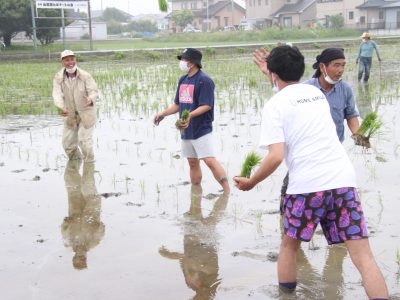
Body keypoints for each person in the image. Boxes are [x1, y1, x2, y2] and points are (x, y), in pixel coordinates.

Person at [234, 45, 388, 299]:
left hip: (307, 186)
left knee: (289, 246)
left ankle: (287, 295)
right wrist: (272, 74)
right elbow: (293, 94)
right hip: (343, 181)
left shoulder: (275, 105)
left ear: (273, 74)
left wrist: (251, 182)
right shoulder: (315, 95)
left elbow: (275, 156)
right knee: (363, 256)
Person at [254, 47, 360, 198]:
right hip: (319, 162)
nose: (341, 70)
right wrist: (277, 69)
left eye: (343, 65)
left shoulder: (345, 89)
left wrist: (358, 135)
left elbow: (351, 115)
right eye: (336, 65)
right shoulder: (311, 89)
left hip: (324, 158)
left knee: (299, 205)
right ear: (322, 66)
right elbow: (287, 96)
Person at [153, 48, 230, 194]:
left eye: (184, 59)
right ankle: (196, 193)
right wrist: (163, 114)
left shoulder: (204, 81)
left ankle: (227, 192)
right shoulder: (183, 80)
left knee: (209, 160)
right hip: (186, 128)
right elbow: (178, 104)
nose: (182, 62)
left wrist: (190, 115)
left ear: (192, 63)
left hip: (201, 128)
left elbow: (206, 105)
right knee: (192, 162)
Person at [159, 184, 228, 299]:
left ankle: (225, 194)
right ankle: (225, 194)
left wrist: (172, 256)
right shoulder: (210, 279)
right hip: (203, 244)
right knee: (210, 218)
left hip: (193, 243)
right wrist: (173, 256)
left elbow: (185, 260)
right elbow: (190, 261)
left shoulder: (192, 284)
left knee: (197, 213)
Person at [53, 50, 99, 162]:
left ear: (75, 60)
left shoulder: (85, 76)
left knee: (84, 141)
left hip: (86, 114)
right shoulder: (58, 78)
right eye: (67, 60)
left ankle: (89, 166)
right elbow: (57, 94)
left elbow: (94, 91)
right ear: (62, 62)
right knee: (68, 144)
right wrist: (61, 107)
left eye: (72, 59)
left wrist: (90, 98)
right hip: (70, 115)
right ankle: (75, 165)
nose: (70, 62)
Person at [61, 160, 105, 270]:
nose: (81, 256)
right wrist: (97, 225)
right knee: (88, 182)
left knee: (70, 178)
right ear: (86, 257)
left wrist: (66, 222)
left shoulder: (68, 242)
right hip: (91, 207)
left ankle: (75, 157)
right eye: (83, 258)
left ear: (74, 256)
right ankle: (88, 157)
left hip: (75, 207)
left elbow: (64, 229)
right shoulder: (93, 242)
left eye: (79, 257)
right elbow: (102, 228)